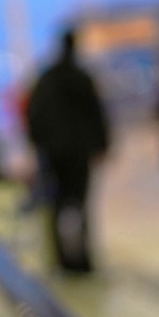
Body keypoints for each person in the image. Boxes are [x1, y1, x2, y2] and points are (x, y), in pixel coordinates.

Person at [25, 29, 109, 275]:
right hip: (77, 152)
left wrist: (39, 143)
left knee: (56, 205)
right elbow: (96, 115)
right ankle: (82, 258)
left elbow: (34, 114)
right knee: (80, 205)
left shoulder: (47, 79)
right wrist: (101, 144)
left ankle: (61, 258)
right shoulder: (80, 77)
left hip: (54, 152)